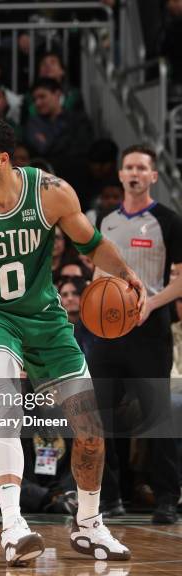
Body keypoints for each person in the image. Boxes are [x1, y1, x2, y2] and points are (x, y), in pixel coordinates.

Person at [0, 117, 146, 566]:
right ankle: (13, 526)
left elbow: (91, 243)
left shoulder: (50, 193)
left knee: (90, 432)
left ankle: (89, 525)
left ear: (3, 159)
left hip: (46, 320)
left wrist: (125, 272)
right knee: (8, 406)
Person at [89, 144, 182, 524]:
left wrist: (151, 303)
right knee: (102, 420)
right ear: (120, 174)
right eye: (129, 167)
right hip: (107, 332)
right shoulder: (105, 221)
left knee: (157, 417)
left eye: (142, 168)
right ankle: (108, 499)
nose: (134, 173)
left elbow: (179, 281)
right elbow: (98, 276)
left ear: (153, 176)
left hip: (150, 329)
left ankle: (167, 498)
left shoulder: (169, 220)